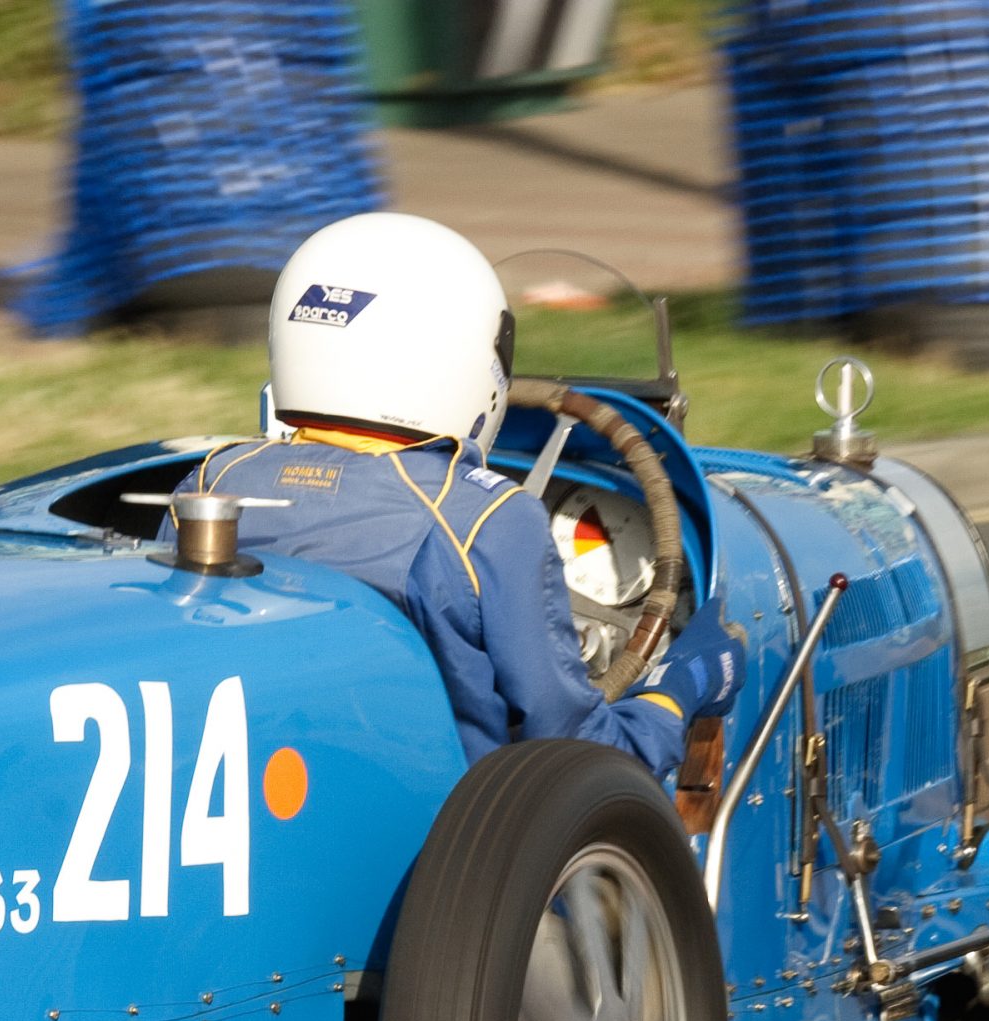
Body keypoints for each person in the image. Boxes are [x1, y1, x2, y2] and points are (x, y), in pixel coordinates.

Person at [175, 212, 742, 777]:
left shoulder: (210, 485)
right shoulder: (487, 519)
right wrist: (681, 688)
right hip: (451, 835)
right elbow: (580, 755)